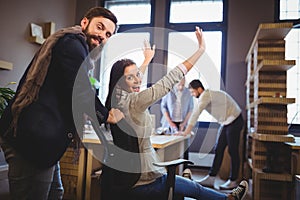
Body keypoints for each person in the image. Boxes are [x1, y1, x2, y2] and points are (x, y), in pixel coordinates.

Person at [103, 26, 248, 200]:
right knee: (194, 189)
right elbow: (172, 77)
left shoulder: (117, 100)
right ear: (121, 82)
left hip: (128, 178)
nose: (138, 79)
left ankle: (189, 183)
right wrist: (200, 51)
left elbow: (134, 77)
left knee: (184, 186)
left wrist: (147, 59)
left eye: (137, 75)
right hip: (144, 180)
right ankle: (228, 199)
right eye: (130, 77)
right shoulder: (136, 101)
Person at [0, 7, 125, 200]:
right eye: (100, 27)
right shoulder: (72, 43)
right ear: (85, 23)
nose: (102, 36)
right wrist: (106, 115)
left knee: (56, 193)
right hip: (31, 142)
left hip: (45, 143)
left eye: (108, 34)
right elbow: (80, 89)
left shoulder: (77, 49)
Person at [183, 79, 244, 190]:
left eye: (192, 92)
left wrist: (186, 131)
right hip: (227, 122)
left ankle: (234, 180)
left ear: (199, 89)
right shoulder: (206, 96)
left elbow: (196, 113)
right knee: (219, 148)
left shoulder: (205, 95)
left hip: (235, 119)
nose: (192, 94)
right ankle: (211, 177)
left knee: (232, 150)